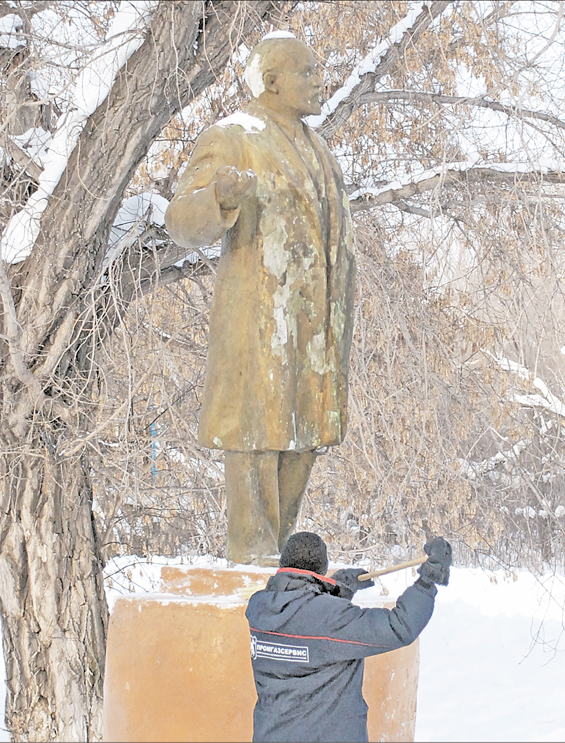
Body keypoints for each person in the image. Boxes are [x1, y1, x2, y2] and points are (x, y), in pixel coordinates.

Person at [165, 33, 355, 565]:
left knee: (299, 446)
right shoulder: (234, 136)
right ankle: (250, 571)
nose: (320, 79)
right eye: (308, 71)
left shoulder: (320, 150)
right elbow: (180, 221)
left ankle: (280, 577)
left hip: (314, 340)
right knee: (254, 441)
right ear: (272, 80)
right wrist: (217, 199)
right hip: (257, 334)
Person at [245, 532, 452, 742]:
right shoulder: (330, 619)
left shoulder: (259, 607)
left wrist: (336, 589)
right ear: (322, 568)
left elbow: (304, 622)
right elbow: (399, 626)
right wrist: (429, 580)